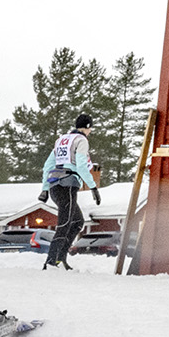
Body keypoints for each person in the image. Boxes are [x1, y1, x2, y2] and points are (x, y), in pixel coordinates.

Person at [39, 114, 103, 269]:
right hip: (68, 185)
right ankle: (51, 262)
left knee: (77, 221)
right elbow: (81, 166)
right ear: (88, 127)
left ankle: (61, 258)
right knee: (65, 223)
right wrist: (93, 187)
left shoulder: (61, 140)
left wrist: (45, 190)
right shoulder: (81, 141)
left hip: (55, 185)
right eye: (90, 129)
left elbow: (48, 165)